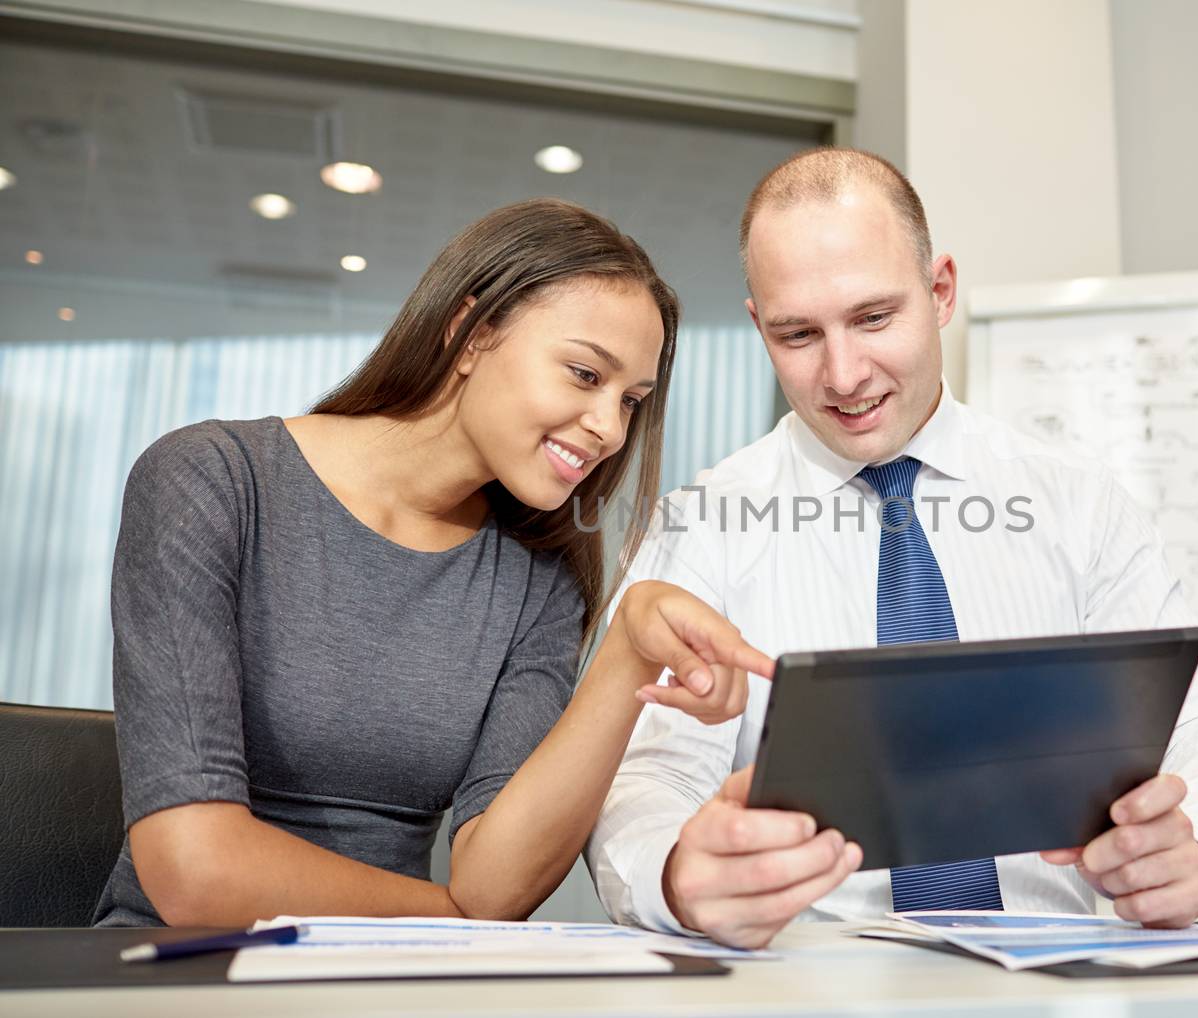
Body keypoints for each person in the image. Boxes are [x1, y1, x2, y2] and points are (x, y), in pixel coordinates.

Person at [586, 149, 1198, 949]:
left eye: (874, 318)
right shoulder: (700, 527)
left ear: (941, 290)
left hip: (1053, 980)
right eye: (798, 335)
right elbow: (645, 775)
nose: (844, 375)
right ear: (758, 327)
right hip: (808, 989)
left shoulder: (1078, 504)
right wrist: (678, 873)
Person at [94, 198, 769, 927]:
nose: (609, 428)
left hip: (396, 979)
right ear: (471, 334)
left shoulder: (539, 573)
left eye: (631, 400)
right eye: (583, 374)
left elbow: (498, 883)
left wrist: (629, 651)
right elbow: (193, 873)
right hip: (186, 971)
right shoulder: (212, 481)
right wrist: (450, 918)